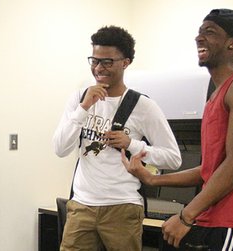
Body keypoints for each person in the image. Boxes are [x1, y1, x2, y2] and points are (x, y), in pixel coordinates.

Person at [122, 9, 233, 251]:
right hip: (212, 215)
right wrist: (152, 178)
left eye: (209, 32)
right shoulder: (216, 96)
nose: (199, 38)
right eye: (199, 32)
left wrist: (185, 216)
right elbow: (210, 169)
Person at [52, 26, 181, 251]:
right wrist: (83, 108)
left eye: (107, 62)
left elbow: (173, 159)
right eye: (94, 60)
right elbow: (60, 148)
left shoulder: (143, 106)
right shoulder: (79, 99)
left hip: (123, 207)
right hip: (82, 206)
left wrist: (132, 144)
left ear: (126, 62)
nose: (99, 68)